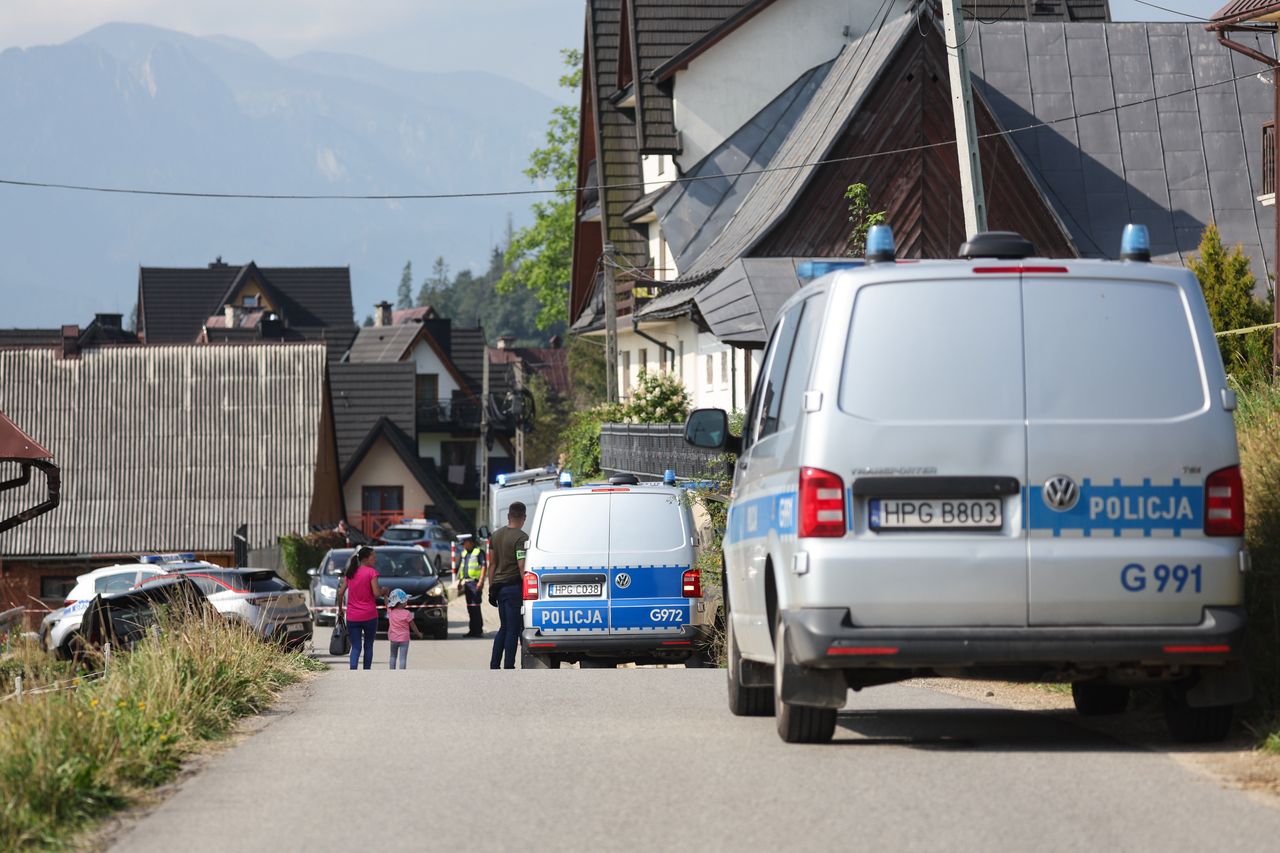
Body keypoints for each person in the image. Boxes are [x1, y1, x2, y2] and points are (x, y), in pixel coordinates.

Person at [486, 501, 528, 670]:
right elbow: (522, 566)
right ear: (523, 517)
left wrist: (491, 589)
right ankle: (509, 665)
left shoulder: (495, 536)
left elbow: (492, 564)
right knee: (513, 628)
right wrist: (527, 589)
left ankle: (494, 664)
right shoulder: (521, 537)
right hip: (513, 588)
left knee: (503, 627)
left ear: (508, 516)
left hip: (499, 588)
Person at [337, 545, 383, 670]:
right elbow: (376, 594)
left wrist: (340, 610)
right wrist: (384, 591)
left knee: (356, 646)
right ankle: (366, 671)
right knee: (368, 645)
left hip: (352, 616)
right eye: (373, 556)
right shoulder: (372, 572)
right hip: (369, 616)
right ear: (366, 559)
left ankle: (353, 670)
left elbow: (340, 593)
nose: (375, 559)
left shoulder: (351, 573)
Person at [456, 535, 487, 638]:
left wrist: (481, 581)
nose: (463, 546)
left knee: (475, 607)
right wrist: (460, 582)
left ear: (469, 542)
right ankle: (472, 630)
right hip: (466, 583)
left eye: (464, 543)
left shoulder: (479, 552)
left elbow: (484, 566)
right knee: (470, 607)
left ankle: (478, 630)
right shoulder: (464, 553)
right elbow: (462, 568)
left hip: (475, 582)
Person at [385, 588, 423, 669]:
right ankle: (402, 673)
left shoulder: (390, 612)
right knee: (403, 658)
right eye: (405, 600)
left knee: (393, 656)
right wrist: (418, 633)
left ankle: (391, 671)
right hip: (404, 639)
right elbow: (413, 626)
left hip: (393, 638)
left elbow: (386, 603)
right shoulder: (407, 613)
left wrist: (385, 595)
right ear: (401, 602)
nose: (407, 602)